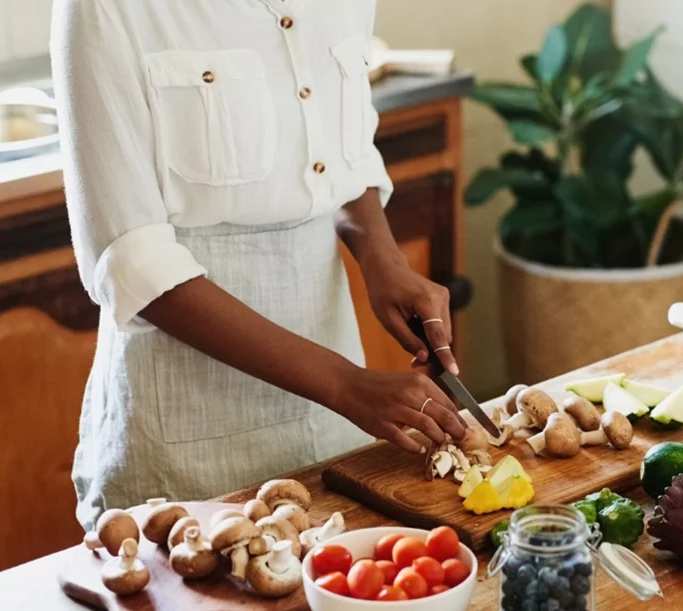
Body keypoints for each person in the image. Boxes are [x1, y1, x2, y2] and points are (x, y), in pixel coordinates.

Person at [52, 0, 466, 530]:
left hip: (338, 422)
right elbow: (133, 261)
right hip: (186, 443)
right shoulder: (105, 9)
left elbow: (344, 153)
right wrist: (343, 383)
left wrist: (381, 256)